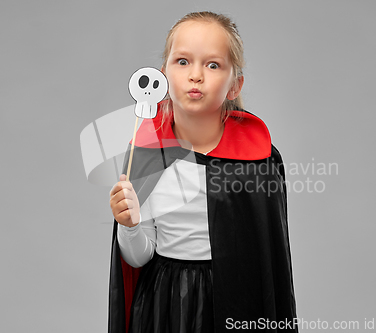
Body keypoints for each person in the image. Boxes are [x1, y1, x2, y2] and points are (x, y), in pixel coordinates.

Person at [108, 11, 298, 332]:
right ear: (162, 76)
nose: (196, 75)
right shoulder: (147, 152)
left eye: (212, 65)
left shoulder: (258, 157)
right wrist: (128, 225)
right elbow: (139, 257)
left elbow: (267, 262)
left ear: (234, 85)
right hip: (166, 301)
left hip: (238, 301)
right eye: (182, 61)